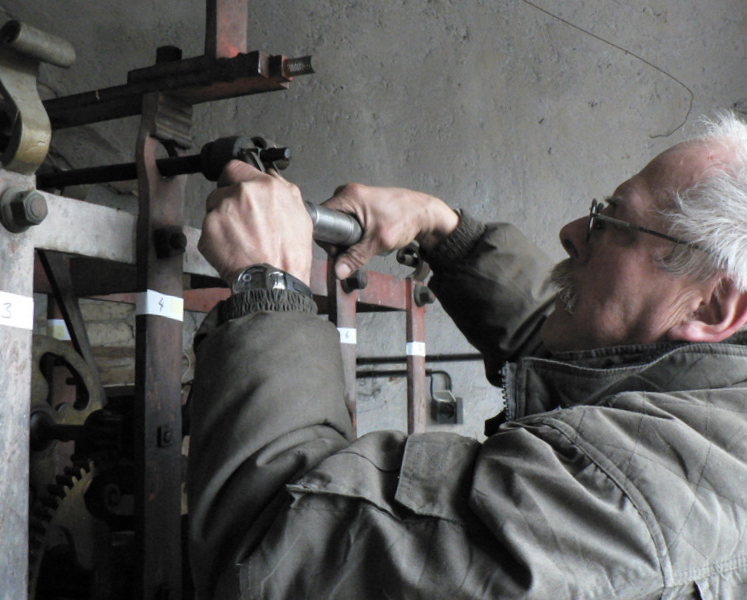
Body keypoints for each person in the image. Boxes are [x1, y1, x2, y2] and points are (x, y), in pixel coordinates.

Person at [188, 112, 747, 599]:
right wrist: (445, 231)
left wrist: (269, 284)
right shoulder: (712, 413)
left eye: (612, 224)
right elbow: (580, 365)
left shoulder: (634, 503)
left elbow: (275, 557)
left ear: (712, 305)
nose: (572, 231)